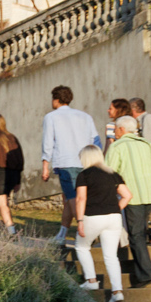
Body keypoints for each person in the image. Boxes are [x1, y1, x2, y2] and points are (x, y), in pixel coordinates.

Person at [105, 114, 151, 287]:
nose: (115, 132)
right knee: (139, 232)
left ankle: (146, 274)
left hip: (132, 196)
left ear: (121, 129)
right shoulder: (148, 145)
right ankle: (144, 272)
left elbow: (109, 173)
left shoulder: (117, 146)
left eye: (116, 129)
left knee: (136, 234)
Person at [40, 85, 98, 248]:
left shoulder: (51, 117)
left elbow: (48, 141)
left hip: (66, 162)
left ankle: (86, 231)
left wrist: (45, 164)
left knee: (73, 198)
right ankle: (62, 234)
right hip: (86, 161)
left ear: (56, 99)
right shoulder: (85, 116)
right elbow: (95, 140)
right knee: (69, 199)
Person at [73, 144, 129, 302]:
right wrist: (115, 208)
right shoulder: (113, 174)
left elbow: (81, 199)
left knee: (81, 246)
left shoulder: (84, 175)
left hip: (93, 216)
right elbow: (127, 195)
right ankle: (117, 291)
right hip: (114, 218)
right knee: (111, 256)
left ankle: (91, 281)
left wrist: (80, 220)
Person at [0, 114, 22, 238]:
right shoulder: (12, 138)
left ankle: (11, 231)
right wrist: (18, 180)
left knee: (2, 203)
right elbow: (20, 160)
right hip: (12, 174)